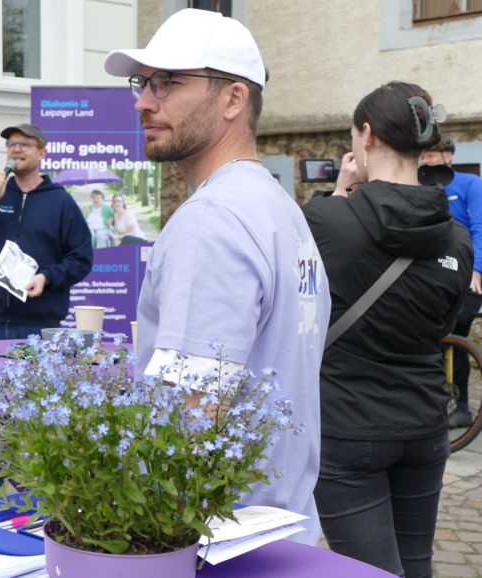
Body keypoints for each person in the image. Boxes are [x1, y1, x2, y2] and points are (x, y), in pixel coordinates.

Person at [104, 8, 330, 544]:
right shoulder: (276, 205)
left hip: (219, 540)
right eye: (143, 83)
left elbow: (186, 417)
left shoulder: (213, 219)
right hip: (279, 530)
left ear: (233, 98)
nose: (143, 101)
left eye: (168, 82)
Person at [304, 82, 470, 577]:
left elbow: (305, 311)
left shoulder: (325, 219)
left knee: (369, 571)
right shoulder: (457, 238)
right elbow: (441, 325)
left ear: (368, 136)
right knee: (416, 566)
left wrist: (338, 193)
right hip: (424, 426)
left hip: (346, 429)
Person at [0, 122, 93, 498]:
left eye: (23, 144)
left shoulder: (60, 202)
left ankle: (37, 490)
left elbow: (81, 258)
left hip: (36, 323)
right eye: (11, 145)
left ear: (41, 152)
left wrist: (48, 277)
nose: (15, 150)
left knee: (33, 407)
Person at [419, 137, 482, 428]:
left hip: (467, 270)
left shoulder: (470, 184)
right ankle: (432, 399)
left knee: (458, 327)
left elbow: (480, 227)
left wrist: (477, 272)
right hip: (435, 270)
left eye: (432, 155)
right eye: (423, 155)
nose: (426, 160)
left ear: (448, 157)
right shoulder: (421, 186)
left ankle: (464, 406)